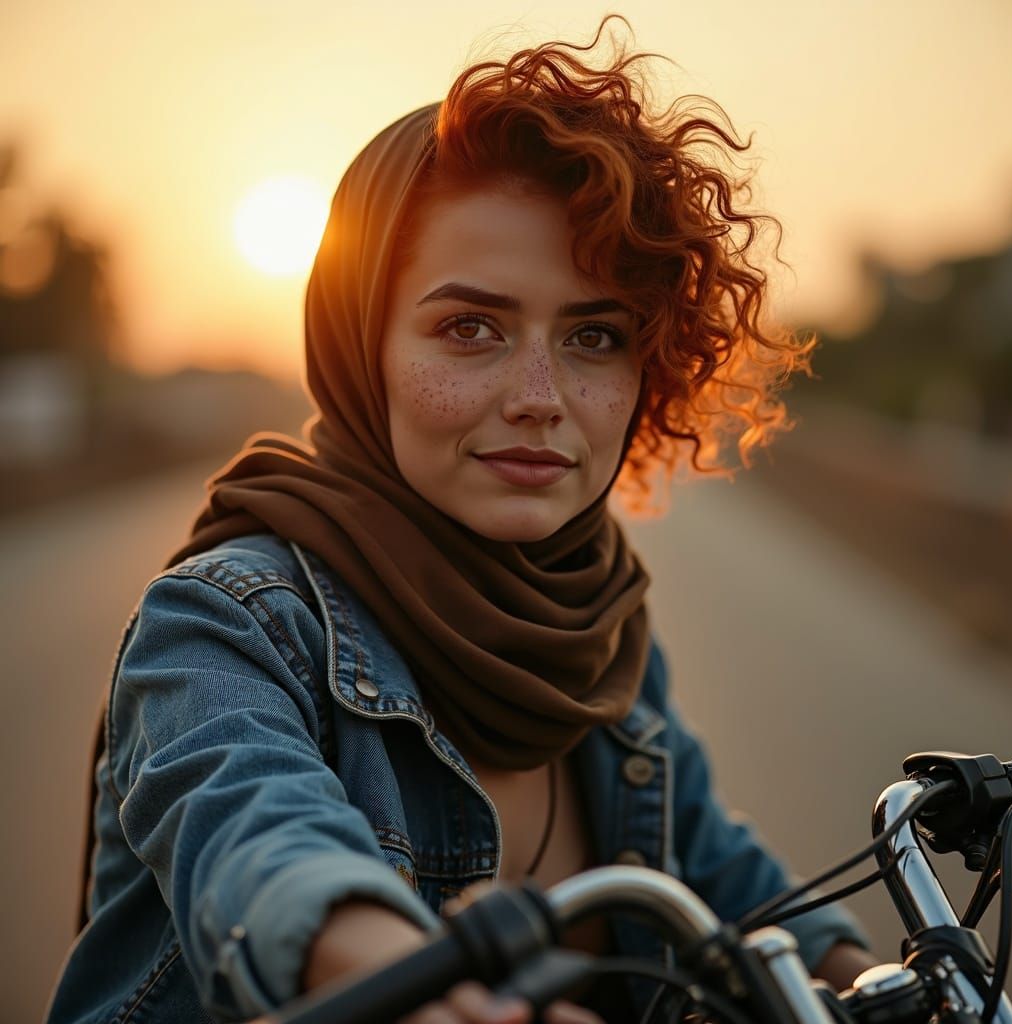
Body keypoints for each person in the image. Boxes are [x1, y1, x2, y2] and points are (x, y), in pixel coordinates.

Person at [46, 16, 877, 1024]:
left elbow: (726, 872)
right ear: (363, 343)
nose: (540, 394)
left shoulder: (602, 630)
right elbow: (257, 839)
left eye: (594, 335)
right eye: (469, 327)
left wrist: (862, 971)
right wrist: (406, 973)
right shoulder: (225, 622)